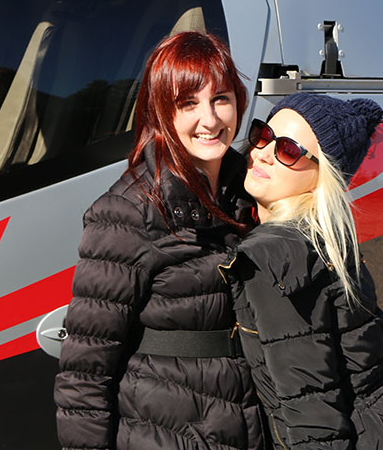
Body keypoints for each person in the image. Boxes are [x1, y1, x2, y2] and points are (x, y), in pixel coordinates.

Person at [54, 31, 266, 450]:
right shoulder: (126, 213)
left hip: (246, 422)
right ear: (161, 113)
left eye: (220, 98)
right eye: (188, 104)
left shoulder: (253, 193)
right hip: (167, 431)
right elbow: (84, 373)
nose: (209, 119)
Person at [220, 93, 383, 450]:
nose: (265, 153)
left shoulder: (273, 255)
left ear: (322, 176)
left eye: (288, 150)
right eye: (262, 135)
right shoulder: (329, 239)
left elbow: (312, 416)